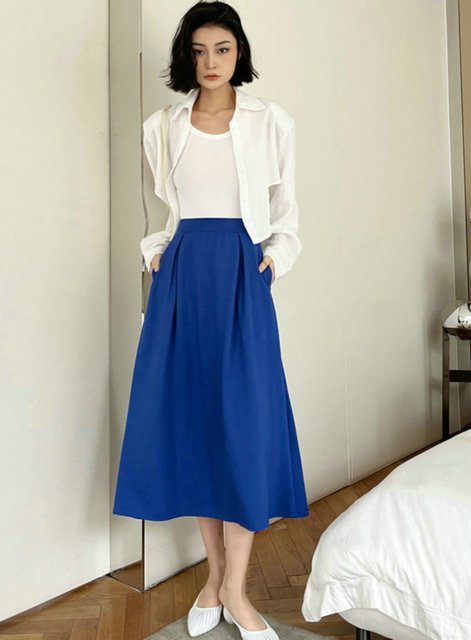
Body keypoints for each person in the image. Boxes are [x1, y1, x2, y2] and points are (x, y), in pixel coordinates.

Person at [113, 2, 309, 638]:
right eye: (198, 51)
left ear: (239, 52)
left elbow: (286, 210)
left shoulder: (270, 121)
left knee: (242, 427)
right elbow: (158, 211)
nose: (210, 62)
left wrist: (273, 262)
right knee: (199, 424)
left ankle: (235, 589)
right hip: (182, 279)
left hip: (240, 278)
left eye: (222, 49)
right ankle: (213, 578)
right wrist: (156, 255)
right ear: (186, 57)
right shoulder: (162, 127)